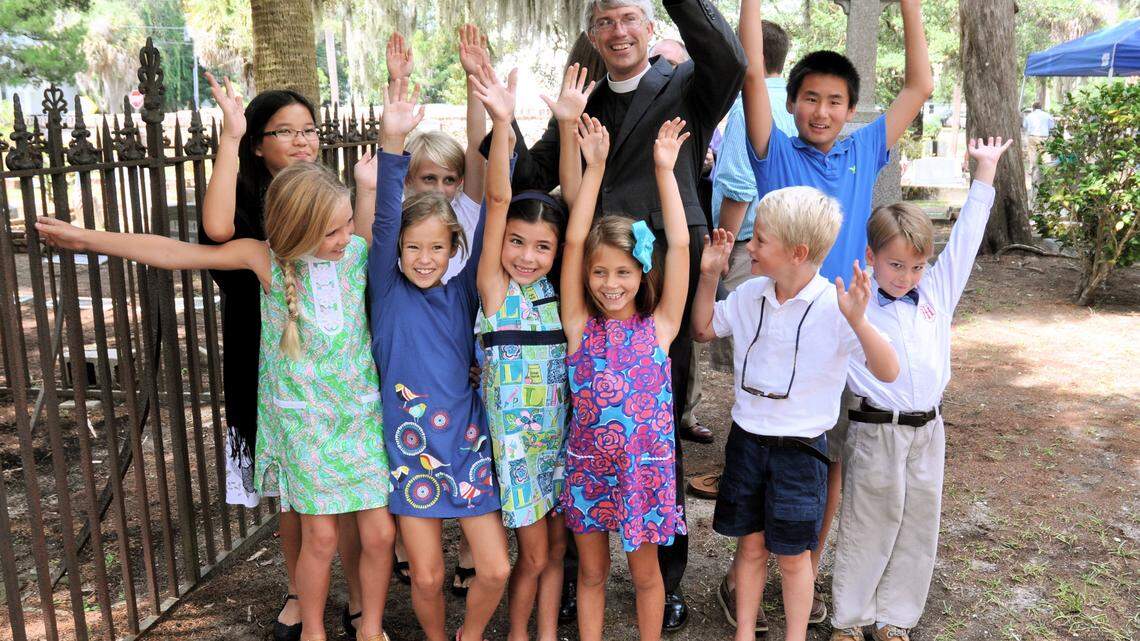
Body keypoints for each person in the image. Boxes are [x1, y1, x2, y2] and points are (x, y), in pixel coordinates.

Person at [39, 160, 397, 641]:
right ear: (296, 228)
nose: (343, 237)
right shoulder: (262, 258)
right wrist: (87, 239)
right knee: (322, 537)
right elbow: (174, 252)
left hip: (359, 417)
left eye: (347, 223)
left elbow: (382, 225)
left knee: (380, 535)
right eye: (331, 230)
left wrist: (371, 184)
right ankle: (314, 631)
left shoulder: (355, 254)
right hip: (304, 425)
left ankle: (370, 628)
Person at [494, 2, 747, 628]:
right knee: (583, 419)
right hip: (589, 284)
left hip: (659, 281)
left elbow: (730, 57)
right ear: (592, 35)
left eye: (629, 17)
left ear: (652, 25)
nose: (618, 32)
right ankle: (587, 566)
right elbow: (529, 174)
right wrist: (504, 118)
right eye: (604, 21)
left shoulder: (685, 86)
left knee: (657, 427)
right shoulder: (585, 98)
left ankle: (666, 574)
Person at [738, 0, 933, 626]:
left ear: (852, 111)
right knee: (768, 453)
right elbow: (748, 72)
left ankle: (807, 573)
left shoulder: (863, 150)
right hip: (778, 328)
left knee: (828, 461)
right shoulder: (774, 153)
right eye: (811, 98)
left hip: (844, 330)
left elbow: (921, 84)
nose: (823, 111)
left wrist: (909, 6)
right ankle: (755, 566)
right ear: (791, 101)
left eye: (836, 101)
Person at [197, 73, 372, 641]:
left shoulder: (331, 202)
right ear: (257, 141)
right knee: (300, 494)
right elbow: (214, 231)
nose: (301, 141)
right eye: (284, 131)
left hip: (332, 361)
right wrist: (228, 136)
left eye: (309, 129)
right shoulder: (249, 205)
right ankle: (303, 594)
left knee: (341, 495)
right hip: (269, 350)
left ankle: (358, 603)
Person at [690, 186, 899, 641]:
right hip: (747, 442)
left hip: (802, 452)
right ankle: (745, 631)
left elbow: (888, 371)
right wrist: (709, 276)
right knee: (750, 547)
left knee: (792, 556)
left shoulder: (837, 305)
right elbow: (703, 329)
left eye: (760, 240)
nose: (750, 247)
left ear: (797, 252)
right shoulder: (749, 296)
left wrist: (860, 322)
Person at [829, 137, 1010, 641]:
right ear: (871, 256)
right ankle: (850, 618)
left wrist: (985, 172)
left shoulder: (935, 292)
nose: (907, 277)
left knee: (917, 524)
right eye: (895, 265)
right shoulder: (852, 304)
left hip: (928, 431)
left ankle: (895, 617)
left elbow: (969, 237)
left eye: (916, 266)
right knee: (869, 523)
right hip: (875, 430)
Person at [362, 76, 511, 641]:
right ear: (396, 249)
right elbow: (380, 219)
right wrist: (392, 137)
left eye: (436, 247)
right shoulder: (385, 289)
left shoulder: (465, 290)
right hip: (408, 446)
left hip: (466, 441)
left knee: (495, 567)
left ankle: (467, 636)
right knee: (425, 577)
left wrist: (501, 127)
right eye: (412, 247)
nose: (424, 259)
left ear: (454, 249)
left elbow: (495, 202)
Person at [470, 61, 592, 641]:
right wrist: (503, 126)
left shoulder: (557, 292)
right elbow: (498, 201)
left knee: (557, 552)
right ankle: (518, 634)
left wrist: (567, 128)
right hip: (516, 451)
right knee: (537, 555)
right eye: (517, 242)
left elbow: (572, 216)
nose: (526, 254)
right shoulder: (495, 293)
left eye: (539, 246)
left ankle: (544, 634)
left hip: (560, 442)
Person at [559, 115, 691, 641]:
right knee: (590, 575)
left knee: (645, 576)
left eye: (623, 273)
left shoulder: (659, 328)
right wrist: (593, 171)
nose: (610, 284)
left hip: (644, 473)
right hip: (590, 469)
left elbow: (679, 247)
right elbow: (573, 243)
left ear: (641, 275)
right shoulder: (578, 326)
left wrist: (666, 172)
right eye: (599, 272)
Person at [385, 25, 492, 595]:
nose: (445, 188)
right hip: (411, 364)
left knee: (462, 455)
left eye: (450, 179)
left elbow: (479, 159)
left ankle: (471, 559)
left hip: (460, 357)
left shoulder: (468, 217)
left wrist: (476, 78)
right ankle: (412, 542)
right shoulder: (399, 240)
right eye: (430, 179)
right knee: (416, 458)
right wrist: (396, 92)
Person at [702, 17, 799, 636]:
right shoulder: (787, 109)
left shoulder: (747, 103)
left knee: (737, 354)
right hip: (786, 247)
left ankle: (745, 463)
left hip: (750, 244)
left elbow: (738, 180)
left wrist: (731, 246)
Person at [1022, 101, 1054, 184]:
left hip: (1032, 136)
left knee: (1032, 152)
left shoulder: (1029, 116)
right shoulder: (1047, 115)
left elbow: (1024, 126)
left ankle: (1032, 168)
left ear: (1033, 108)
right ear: (1041, 107)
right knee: (1045, 153)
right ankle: (1047, 169)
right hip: (1043, 137)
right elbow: (1052, 126)